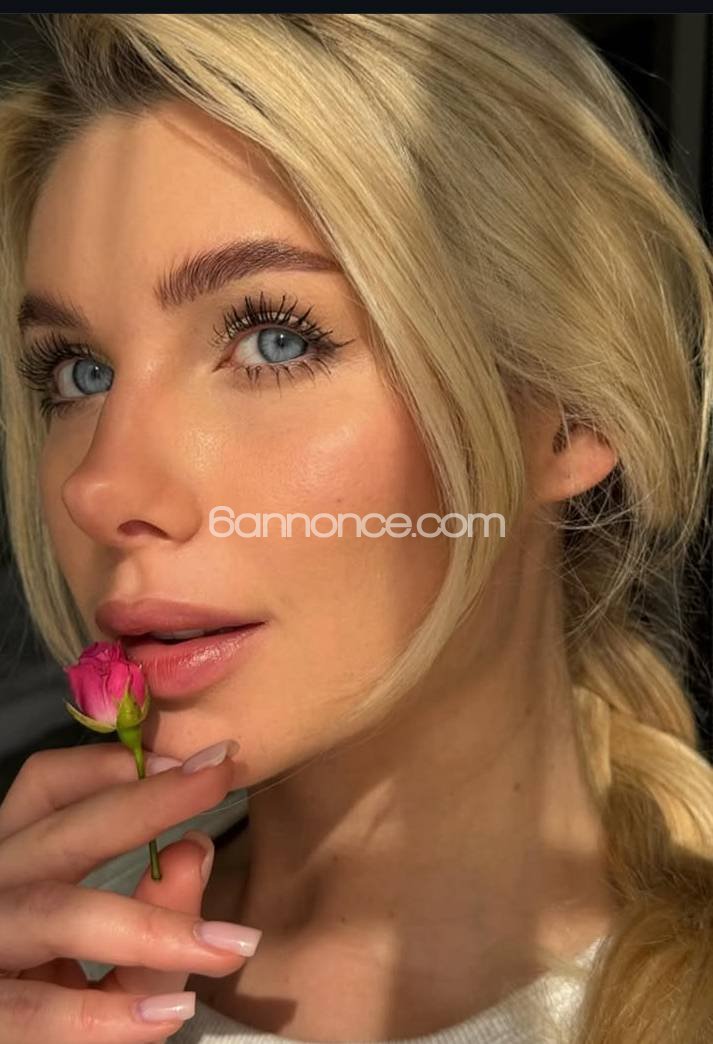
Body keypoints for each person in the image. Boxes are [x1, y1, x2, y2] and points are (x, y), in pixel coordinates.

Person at [0, 13, 711, 1044]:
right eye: (79, 372)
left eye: (272, 339)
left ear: (571, 414)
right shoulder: (34, 956)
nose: (99, 488)